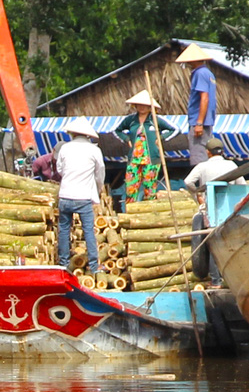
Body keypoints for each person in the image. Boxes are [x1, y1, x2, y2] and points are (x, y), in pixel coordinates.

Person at [53, 122, 105, 276]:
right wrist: (98, 187)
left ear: (72, 134)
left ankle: (63, 263)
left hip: (66, 194)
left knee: (63, 229)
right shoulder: (94, 150)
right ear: (88, 135)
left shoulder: (65, 148)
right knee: (88, 230)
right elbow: (100, 172)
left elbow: (60, 169)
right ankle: (94, 266)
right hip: (84, 196)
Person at [114, 89, 170, 203]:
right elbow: (117, 130)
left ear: (150, 107)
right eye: (139, 105)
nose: (142, 107)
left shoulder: (155, 120)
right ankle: (130, 213)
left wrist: (161, 138)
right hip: (134, 159)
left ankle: (149, 213)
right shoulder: (130, 120)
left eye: (145, 105)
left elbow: (174, 129)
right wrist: (126, 139)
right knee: (131, 188)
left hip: (151, 158)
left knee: (149, 188)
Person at [177, 43, 217, 168]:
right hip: (207, 120)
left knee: (199, 158)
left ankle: (203, 186)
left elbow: (204, 98)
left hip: (200, 122)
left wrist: (199, 123)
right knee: (205, 153)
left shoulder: (200, 73)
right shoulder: (208, 73)